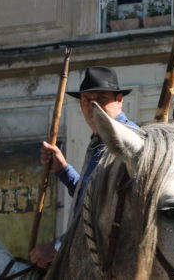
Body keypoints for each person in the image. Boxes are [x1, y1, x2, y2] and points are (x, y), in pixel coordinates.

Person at [29, 66, 138, 268]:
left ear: (119, 100)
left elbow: (108, 213)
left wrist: (58, 246)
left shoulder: (126, 141)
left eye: (102, 99)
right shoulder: (99, 140)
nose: (93, 106)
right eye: (87, 100)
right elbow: (93, 197)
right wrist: (63, 171)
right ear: (80, 104)